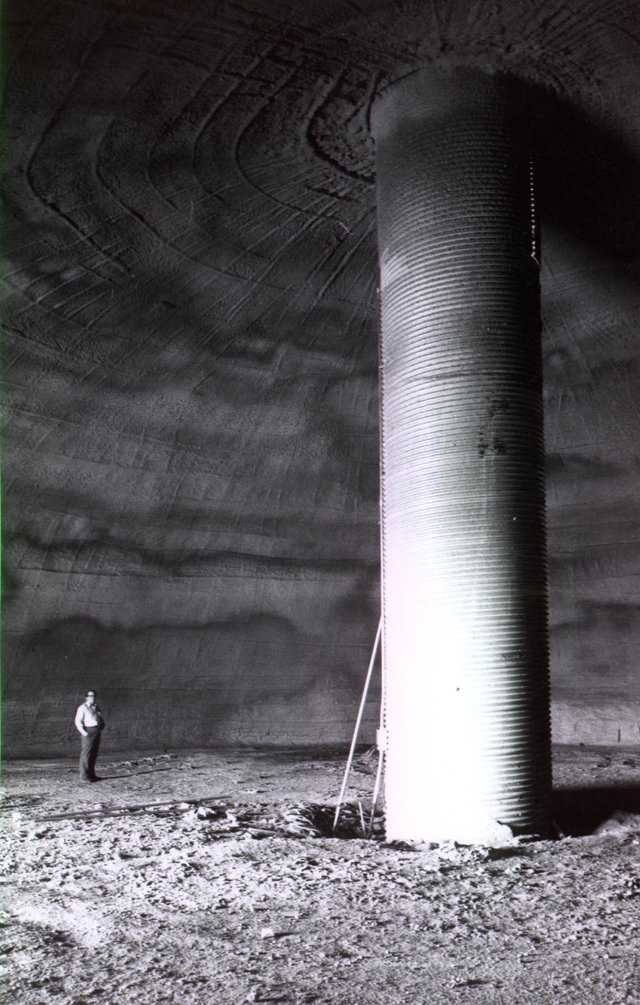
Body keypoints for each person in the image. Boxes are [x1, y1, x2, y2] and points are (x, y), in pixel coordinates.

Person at [74, 690, 105, 782]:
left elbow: (99, 717)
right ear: (86, 697)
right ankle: (84, 776)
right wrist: (85, 733)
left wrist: (101, 725)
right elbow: (77, 722)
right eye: (91, 696)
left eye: (94, 696)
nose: (93, 698)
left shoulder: (96, 707)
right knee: (86, 754)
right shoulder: (82, 708)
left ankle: (91, 775)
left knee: (94, 753)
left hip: (96, 731)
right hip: (88, 731)